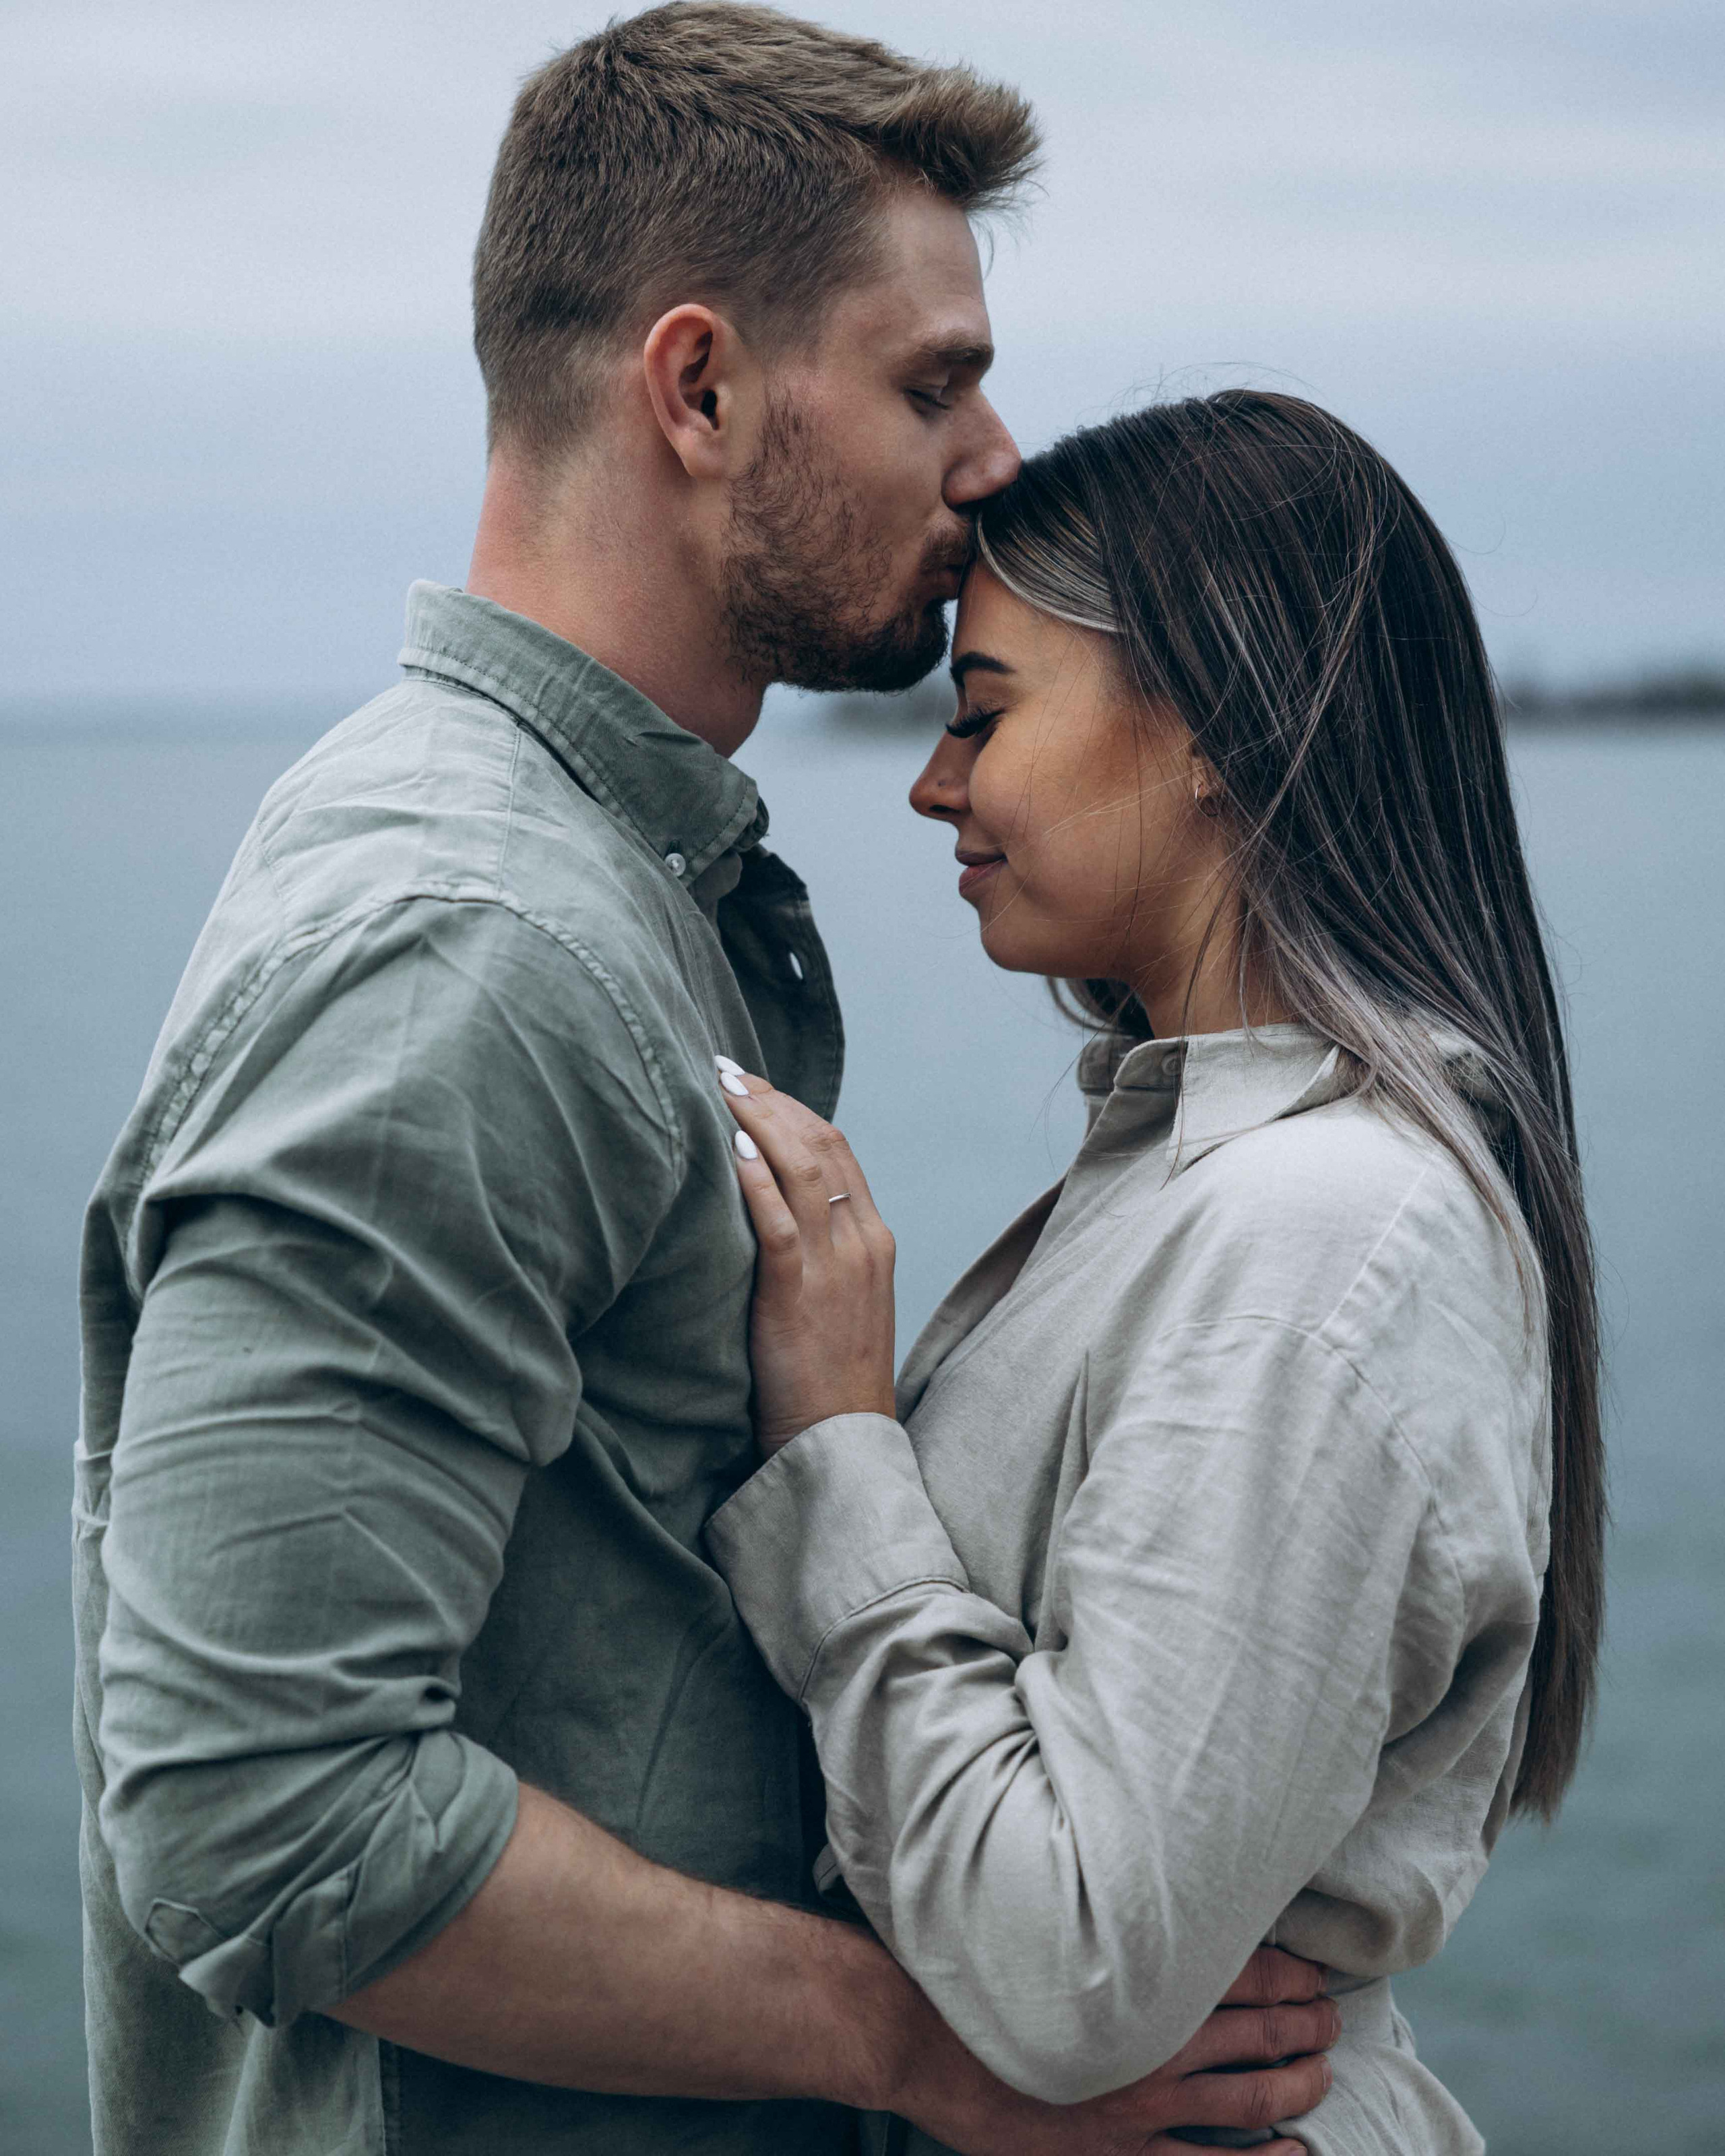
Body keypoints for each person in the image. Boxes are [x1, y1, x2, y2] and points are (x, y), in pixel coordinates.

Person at [72, 11, 1339, 2156]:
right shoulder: (467, 946)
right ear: (701, 389)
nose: (995, 456)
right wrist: (918, 2047)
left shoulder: (595, 884)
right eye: (931, 384)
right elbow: (254, 1813)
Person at [708, 389, 1606, 2156]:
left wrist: (836, 1449)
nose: (934, 782)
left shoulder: (1319, 1233)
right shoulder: (1215, 1178)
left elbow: (1072, 1971)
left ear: (1215, 728)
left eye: (986, 713)